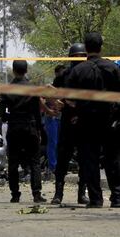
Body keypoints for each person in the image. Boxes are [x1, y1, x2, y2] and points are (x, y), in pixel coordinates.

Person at [68, 32, 120, 208]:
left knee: (89, 160)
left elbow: (70, 100)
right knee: (113, 159)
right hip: (110, 121)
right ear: (101, 46)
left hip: (87, 122)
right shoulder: (113, 68)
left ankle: (96, 199)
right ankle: (117, 197)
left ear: (86, 48)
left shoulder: (78, 71)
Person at [0, 60, 46, 203]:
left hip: (14, 127)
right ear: (26, 70)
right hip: (30, 127)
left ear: (13, 71)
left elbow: (1, 112)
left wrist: (11, 117)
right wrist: (40, 129)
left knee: (13, 162)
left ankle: (15, 194)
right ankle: (36, 193)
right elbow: (37, 113)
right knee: (34, 162)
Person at [51, 43, 89, 205]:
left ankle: (82, 193)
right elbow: (51, 92)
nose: (78, 60)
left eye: (81, 56)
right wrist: (57, 102)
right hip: (67, 121)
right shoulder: (64, 75)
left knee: (85, 159)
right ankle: (58, 193)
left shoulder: (89, 73)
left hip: (84, 121)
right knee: (63, 159)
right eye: (76, 57)